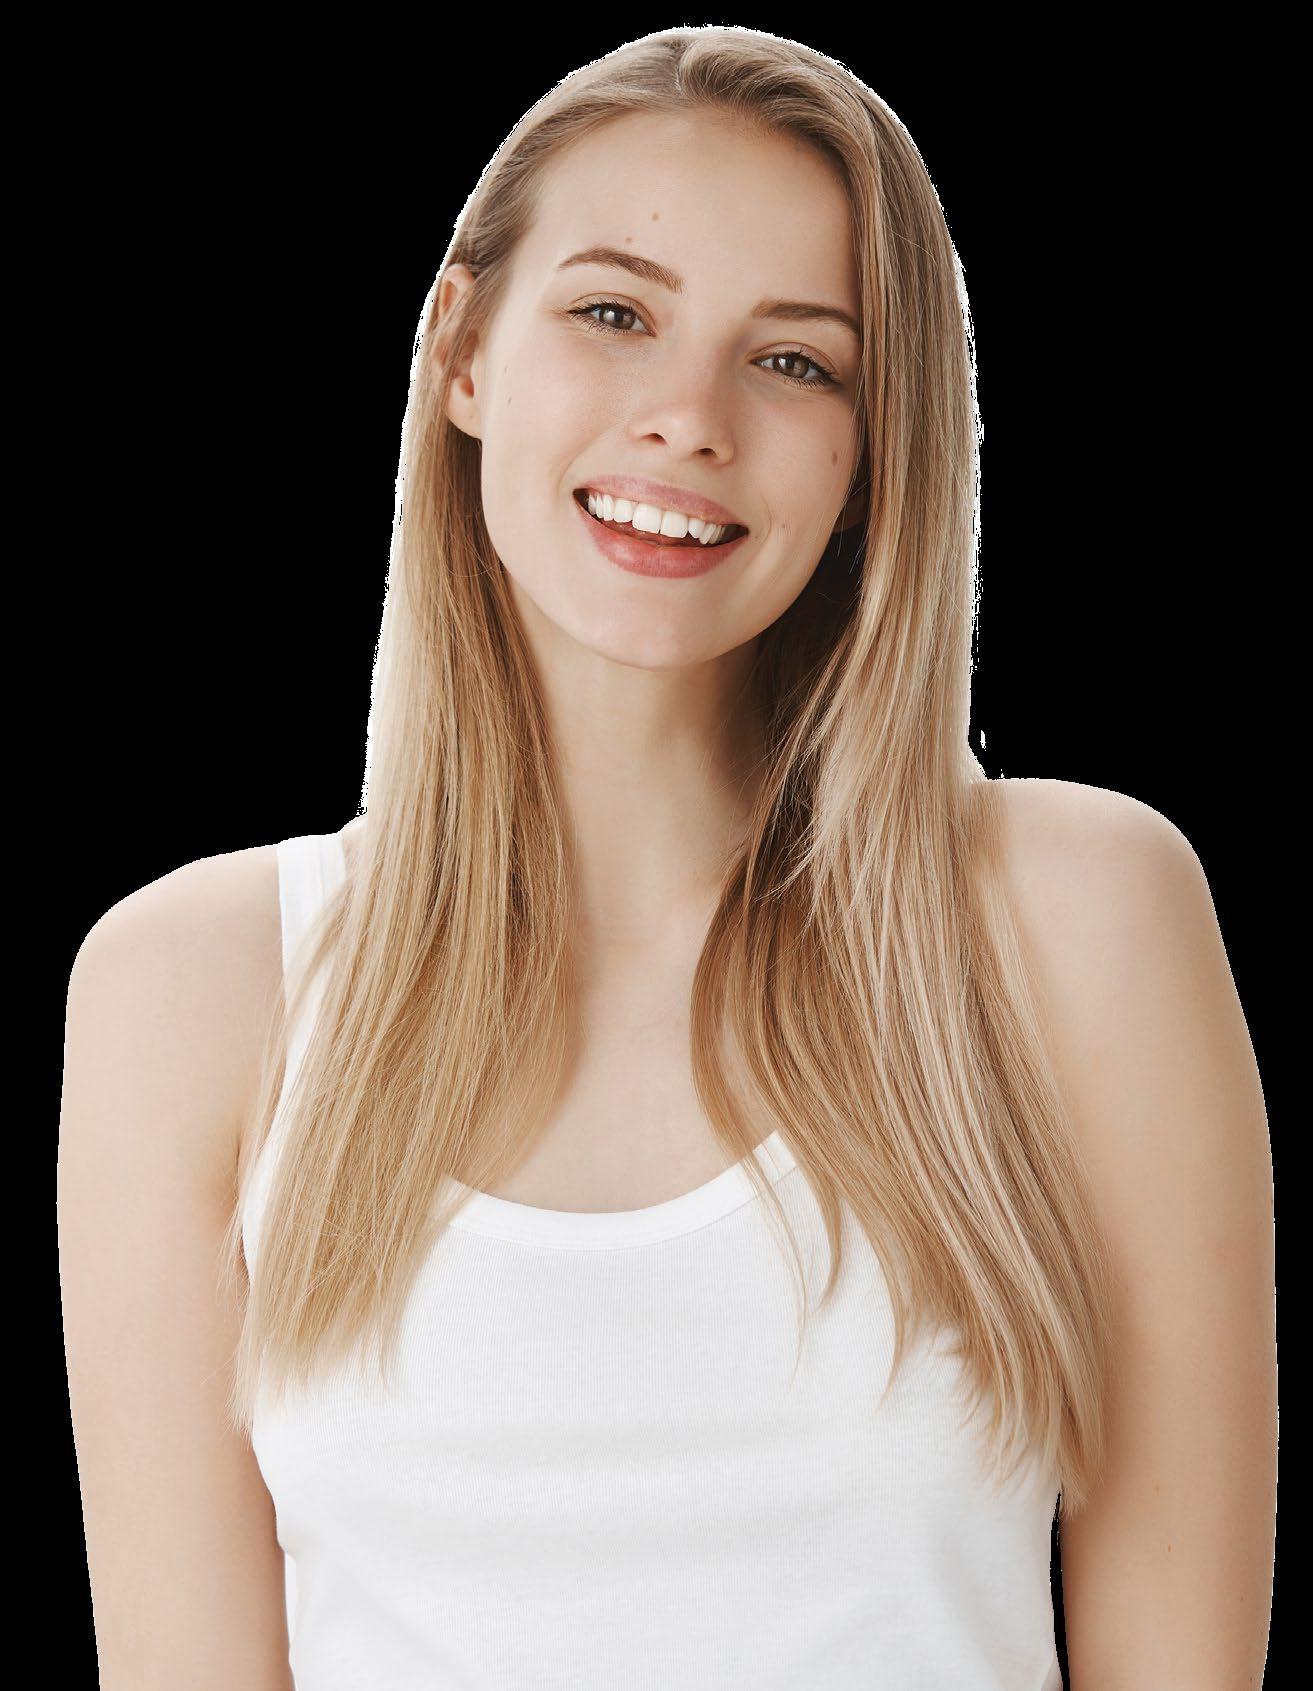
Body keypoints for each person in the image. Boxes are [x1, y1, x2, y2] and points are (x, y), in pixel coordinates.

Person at [58, 26, 1276, 1690]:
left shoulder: (1069, 921)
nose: (689, 419)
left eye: (794, 362)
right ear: (460, 351)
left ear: (874, 454)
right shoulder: (190, 990)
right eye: (614, 315)